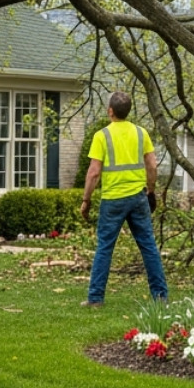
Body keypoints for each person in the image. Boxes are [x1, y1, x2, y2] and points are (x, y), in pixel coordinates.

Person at [79, 91, 169, 307]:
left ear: (110, 111)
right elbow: (152, 165)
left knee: (105, 247)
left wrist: (86, 200)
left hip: (112, 199)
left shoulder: (102, 136)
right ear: (127, 111)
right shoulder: (141, 133)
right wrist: (151, 190)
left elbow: (93, 172)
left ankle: (95, 298)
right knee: (148, 246)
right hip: (138, 197)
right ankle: (160, 297)